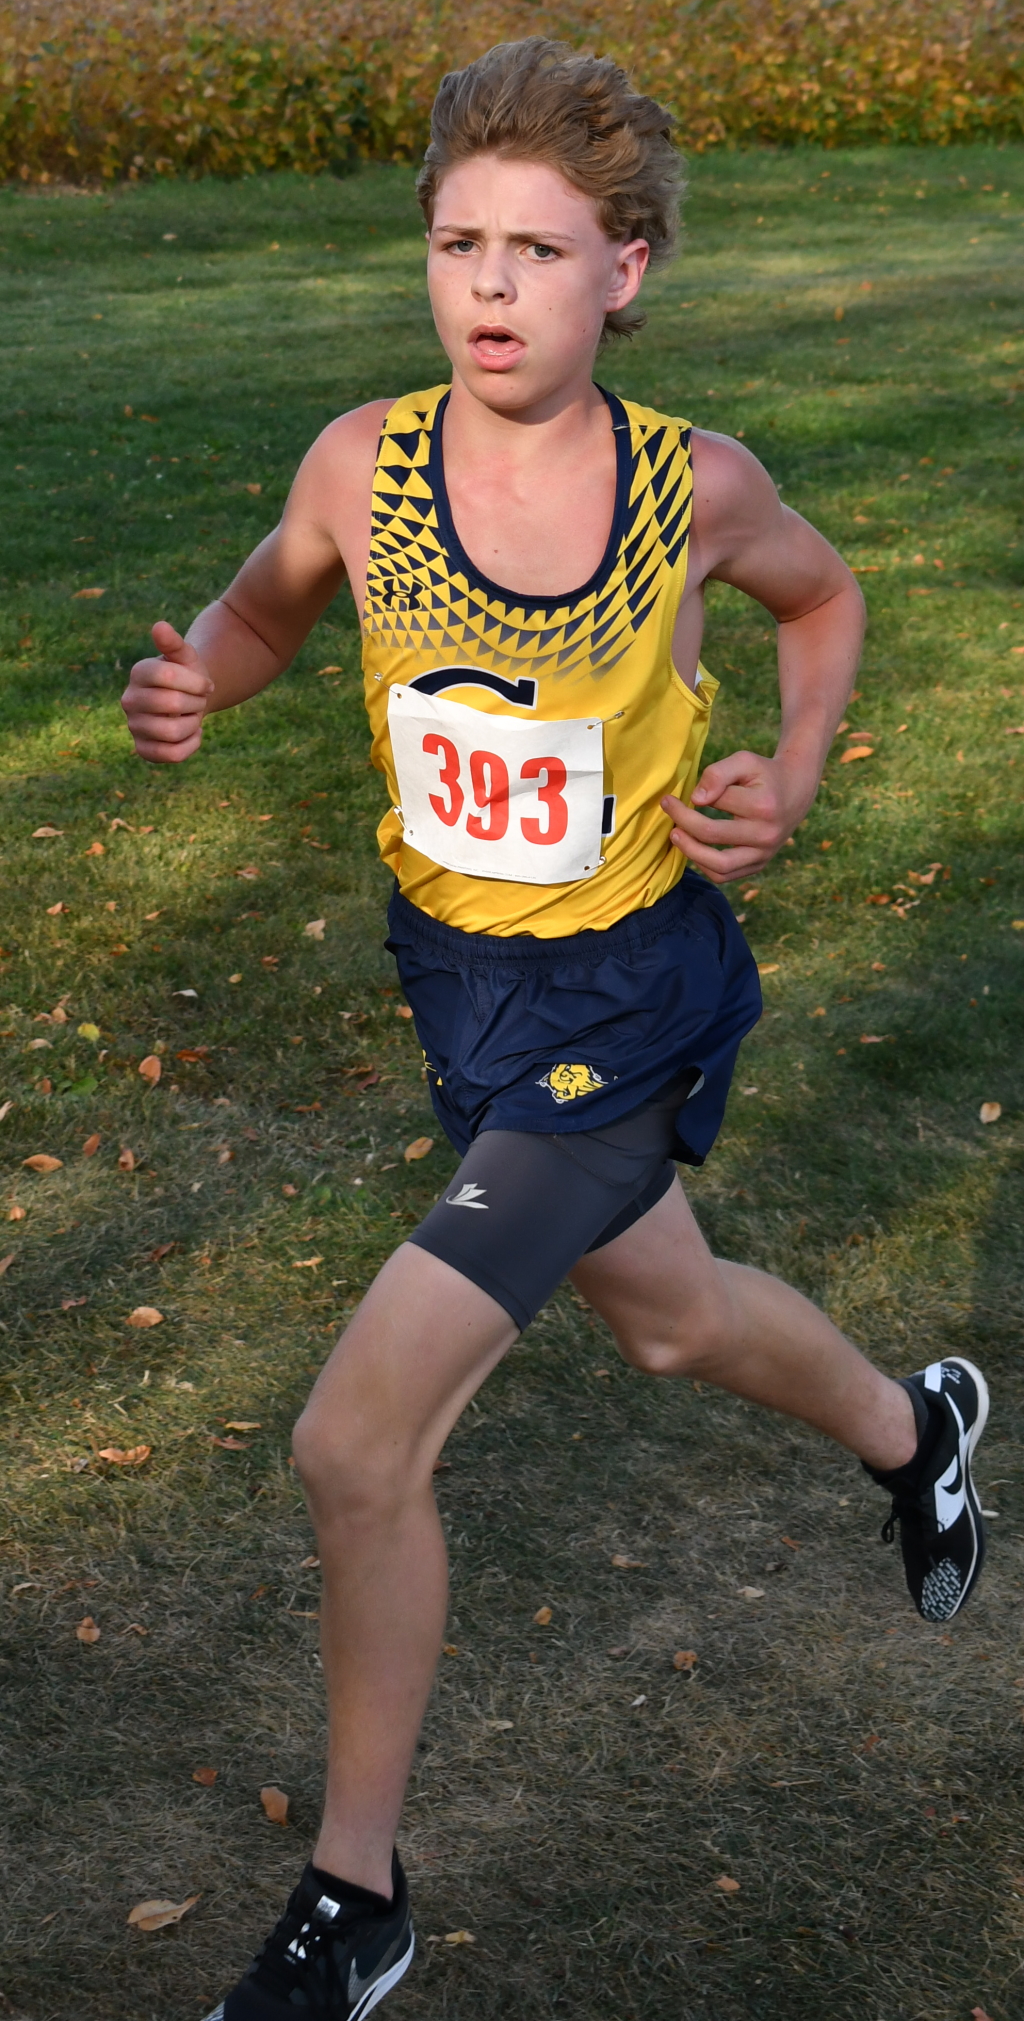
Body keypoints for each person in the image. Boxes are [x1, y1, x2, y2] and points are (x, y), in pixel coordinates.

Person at [121, 37, 989, 2021]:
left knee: (356, 1442)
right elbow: (262, 613)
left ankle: (357, 1892)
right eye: (458, 246)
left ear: (626, 268)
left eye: (535, 249)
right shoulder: (362, 465)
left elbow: (824, 601)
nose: (491, 288)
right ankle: (911, 1428)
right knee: (668, 1319)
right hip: (462, 991)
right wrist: (197, 684)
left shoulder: (693, 489)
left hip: (624, 1001)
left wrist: (793, 770)